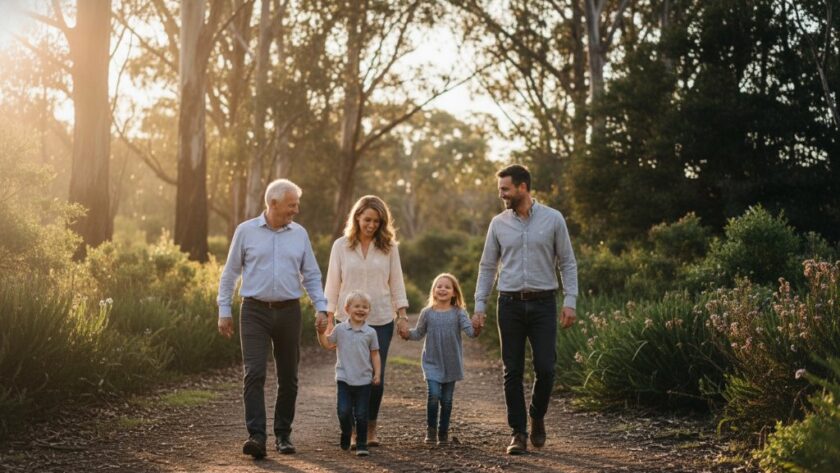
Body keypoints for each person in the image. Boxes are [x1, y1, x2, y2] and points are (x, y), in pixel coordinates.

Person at [217, 178, 328, 459]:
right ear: (273, 203)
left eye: (296, 204)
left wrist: (322, 307)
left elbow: (312, 275)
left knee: (288, 376)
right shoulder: (245, 232)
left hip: (289, 312)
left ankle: (283, 434)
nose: (296, 210)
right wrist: (224, 310)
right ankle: (256, 436)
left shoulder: (299, 234)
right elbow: (230, 274)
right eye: (292, 204)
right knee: (254, 373)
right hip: (254, 311)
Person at [472, 164, 578, 455]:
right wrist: (479, 306)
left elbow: (567, 262)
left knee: (546, 368)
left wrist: (570, 301)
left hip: (544, 303)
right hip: (509, 304)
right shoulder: (498, 224)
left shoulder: (553, 219)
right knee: (512, 370)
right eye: (500, 190)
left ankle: (537, 416)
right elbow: (487, 267)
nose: (501, 194)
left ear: (522, 187)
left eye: (505, 189)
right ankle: (518, 433)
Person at [317, 195, 409, 447]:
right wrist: (328, 317)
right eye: (367, 219)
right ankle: (351, 425)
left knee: (375, 374)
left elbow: (397, 282)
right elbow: (332, 284)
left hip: (380, 319)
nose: (371, 225)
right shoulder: (341, 246)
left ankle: (369, 427)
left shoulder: (389, 248)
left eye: (377, 221)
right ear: (357, 217)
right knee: (351, 372)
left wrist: (402, 316)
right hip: (348, 321)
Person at [402, 273, 479, 446]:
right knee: (434, 395)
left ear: (454, 293)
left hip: (451, 363)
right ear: (434, 291)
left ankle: (443, 431)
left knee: (447, 400)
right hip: (432, 362)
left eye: (447, 287)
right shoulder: (427, 313)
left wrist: (477, 326)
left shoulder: (459, 313)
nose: (442, 289)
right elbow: (418, 333)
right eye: (439, 286)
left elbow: (471, 333)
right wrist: (407, 334)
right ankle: (431, 431)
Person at [317, 291, 382, 457]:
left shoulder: (370, 333)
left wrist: (378, 374)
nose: (361, 309)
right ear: (347, 309)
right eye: (357, 306)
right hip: (344, 379)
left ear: (369, 310)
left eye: (365, 307)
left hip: (364, 380)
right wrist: (320, 332)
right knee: (343, 411)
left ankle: (361, 444)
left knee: (361, 414)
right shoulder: (340, 329)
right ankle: (346, 432)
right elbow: (326, 344)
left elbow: (375, 354)